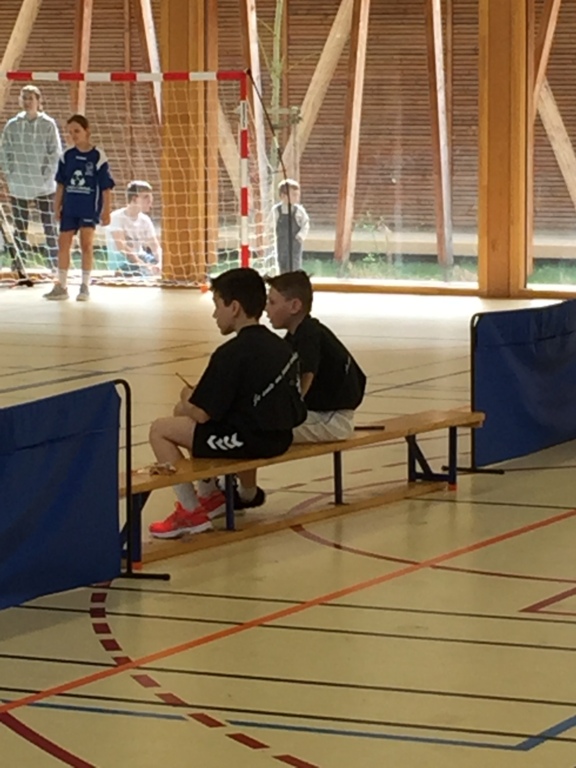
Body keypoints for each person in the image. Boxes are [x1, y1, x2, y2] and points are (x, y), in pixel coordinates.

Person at [148, 267, 307, 539]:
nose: (214, 314)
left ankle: (191, 512)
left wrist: (187, 396)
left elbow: (202, 414)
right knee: (182, 415)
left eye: (217, 305)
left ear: (234, 308)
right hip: (280, 436)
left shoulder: (231, 353)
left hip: (250, 440)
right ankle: (210, 494)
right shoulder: (283, 347)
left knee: (160, 429)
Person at [234, 270, 366, 509]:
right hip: (320, 416)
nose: (266, 309)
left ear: (294, 306)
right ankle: (239, 489)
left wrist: (286, 414)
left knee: (251, 432)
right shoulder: (293, 338)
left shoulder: (309, 333)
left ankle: (246, 493)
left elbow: (307, 376)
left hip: (332, 420)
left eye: (272, 302)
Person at [44, 115, 115, 302]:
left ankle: (85, 286)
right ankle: (61, 286)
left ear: (87, 131)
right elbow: (61, 184)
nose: (73, 135)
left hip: (88, 208)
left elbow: (106, 187)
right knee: (63, 244)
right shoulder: (67, 156)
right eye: (70, 132)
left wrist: (106, 210)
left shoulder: (98, 156)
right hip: (70, 208)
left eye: (77, 131)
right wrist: (56, 207)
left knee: (86, 245)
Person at [0, 85, 61, 270]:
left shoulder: (48, 124)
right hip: (19, 183)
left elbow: (55, 152)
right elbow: (4, 151)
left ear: (38, 101)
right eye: (24, 98)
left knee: (49, 225)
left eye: (31, 98)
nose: (27, 102)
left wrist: (46, 175)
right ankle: (19, 262)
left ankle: (54, 262)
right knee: (20, 225)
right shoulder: (13, 124)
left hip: (44, 185)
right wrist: (10, 174)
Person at [106, 180, 162, 276]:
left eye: (150, 196)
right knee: (144, 273)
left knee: (165, 269)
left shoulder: (145, 220)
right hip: (122, 262)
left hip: (142, 258)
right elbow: (122, 247)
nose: (150, 200)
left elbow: (155, 247)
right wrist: (144, 266)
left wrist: (160, 264)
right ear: (134, 199)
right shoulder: (116, 217)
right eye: (146, 197)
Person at [273, 178, 309, 274]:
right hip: (281, 242)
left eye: (297, 195)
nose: (296, 197)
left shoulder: (299, 211)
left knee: (294, 264)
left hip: (294, 242)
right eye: (293, 195)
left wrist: (301, 235)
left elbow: (305, 224)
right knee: (282, 263)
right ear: (283, 196)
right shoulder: (277, 210)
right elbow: (271, 224)